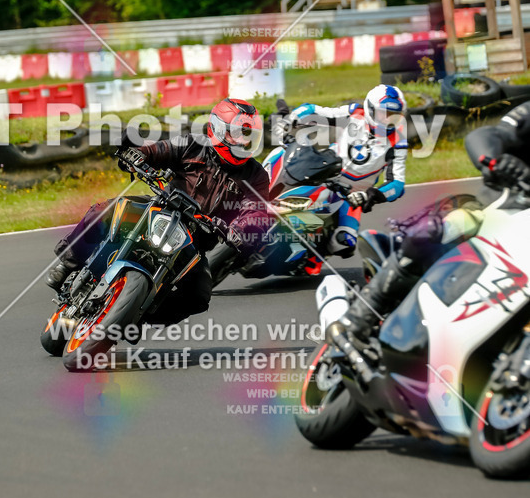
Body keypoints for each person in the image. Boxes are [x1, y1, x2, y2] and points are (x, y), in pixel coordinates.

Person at [44, 98, 270, 325]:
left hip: (196, 240)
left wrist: (240, 229)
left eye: (250, 135)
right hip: (161, 208)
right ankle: (69, 264)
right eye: (238, 133)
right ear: (218, 130)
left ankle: (133, 315)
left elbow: (256, 211)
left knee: (198, 296)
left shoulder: (256, 175)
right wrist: (136, 155)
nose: (244, 141)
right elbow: (159, 150)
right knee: (107, 210)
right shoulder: (193, 145)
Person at [342, 101, 530, 342]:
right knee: (439, 230)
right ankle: (364, 311)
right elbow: (487, 135)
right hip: (503, 210)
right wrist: (494, 161)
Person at [283, 84, 408, 271]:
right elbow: (313, 110)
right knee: (284, 161)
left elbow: (397, 184)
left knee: (345, 242)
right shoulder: (353, 114)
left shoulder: (398, 142)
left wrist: (370, 196)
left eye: (394, 115)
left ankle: (312, 258)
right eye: (384, 114)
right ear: (370, 110)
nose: (389, 120)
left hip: (352, 195)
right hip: (323, 173)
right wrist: (290, 120)